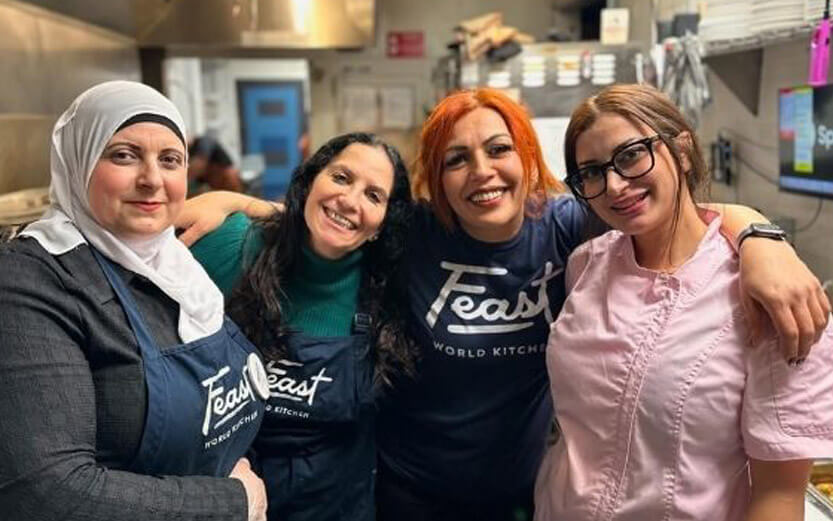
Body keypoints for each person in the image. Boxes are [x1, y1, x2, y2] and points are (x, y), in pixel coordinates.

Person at [174, 88, 831, 521]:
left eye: (498, 149)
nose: (482, 171)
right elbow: (340, 217)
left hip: (520, 496)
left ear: (528, 160)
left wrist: (758, 235)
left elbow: (676, 212)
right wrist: (237, 202)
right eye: (456, 159)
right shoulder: (417, 233)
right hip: (407, 495)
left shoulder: (569, 228)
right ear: (436, 181)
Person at [535, 83, 833, 521]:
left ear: (683, 150)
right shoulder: (586, 264)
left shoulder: (768, 296)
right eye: (593, 173)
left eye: (631, 155)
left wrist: (759, 236)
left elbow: (779, 496)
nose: (615, 185)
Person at [0, 81, 269, 521]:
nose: (152, 180)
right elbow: (45, 493)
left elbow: (325, 231)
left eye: (170, 160)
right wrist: (235, 502)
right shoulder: (32, 282)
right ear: (79, 161)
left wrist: (237, 200)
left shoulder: (180, 259)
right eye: (124, 155)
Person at [188, 132, 417, 521]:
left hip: (338, 509)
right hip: (234, 504)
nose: (350, 200)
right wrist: (234, 201)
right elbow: (134, 241)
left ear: (381, 224)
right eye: (341, 178)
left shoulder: (391, 285)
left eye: (373, 195)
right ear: (310, 181)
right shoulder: (233, 245)